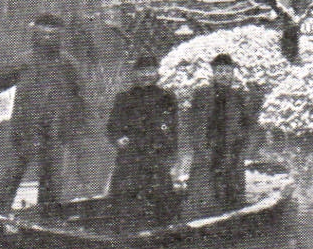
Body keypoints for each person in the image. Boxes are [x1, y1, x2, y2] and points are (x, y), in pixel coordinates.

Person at [0, 13, 86, 212]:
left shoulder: (68, 64)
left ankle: (48, 216)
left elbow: (80, 97)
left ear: (60, 36)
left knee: (52, 177)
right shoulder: (24, 61)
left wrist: (75, 127)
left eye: (52, 34)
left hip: (56, 129)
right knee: (13, 171)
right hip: (26, 128)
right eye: (43, 34)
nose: (47, 38)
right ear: (35, 35)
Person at [185, 53, 258, 213]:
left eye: (227, 71)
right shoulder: (202, 94)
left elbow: (247, 126)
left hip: (231, 152)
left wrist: (241, 147)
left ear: (232, 73)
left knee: (231, 193)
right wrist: (201, 148)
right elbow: (194, 124)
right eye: (219, 71)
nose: (223, 75)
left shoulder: (238, 96)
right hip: (207, 151)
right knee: (204, 192)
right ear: (213, 73)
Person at [106, 54, 179, 211]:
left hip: (157, 158)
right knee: (127, 202)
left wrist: (171, 155)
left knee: (161, 202)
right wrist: (118, 138)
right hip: (131, 159)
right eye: (142, 71)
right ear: (135, 73)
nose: (147, 75)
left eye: (151, 71)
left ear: (157, 73)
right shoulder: (124, 98)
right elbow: (112, 126)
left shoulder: (167, 98)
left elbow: (173, 130)